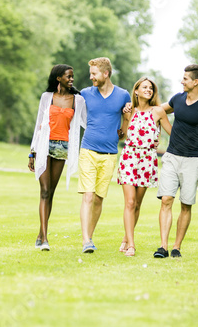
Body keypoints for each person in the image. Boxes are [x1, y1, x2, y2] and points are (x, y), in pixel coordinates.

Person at [154, 64, 198, 258]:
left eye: (185, 78)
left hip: (192, 161)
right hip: (172, 156)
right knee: (166, 199)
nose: (182, 81)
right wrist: (134, 105)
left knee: (185, 204)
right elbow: (157, 111)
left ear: (195, 82)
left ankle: (176, 247)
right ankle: (163, 247)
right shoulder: (177, 99)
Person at [28, 64, 87, 251]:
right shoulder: (47, 97)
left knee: (51, 192)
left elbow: (87, 121)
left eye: (72, 76)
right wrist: (32, 151)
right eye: (68, 76)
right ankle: (44, 238)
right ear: (58, 78)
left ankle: (40, 233)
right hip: (45, 145)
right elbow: (39, 123)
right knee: (44, 190)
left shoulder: (78, 100)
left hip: (62, 147)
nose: (72, 79)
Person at [78, 57, 130, 253]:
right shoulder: (84, 94)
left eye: (94, 74)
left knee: (99, 198)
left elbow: (124, 134)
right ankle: (86, 241)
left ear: (105, 73)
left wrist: (126, 116)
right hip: (88, 150)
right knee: (88, 196)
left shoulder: (123, 96)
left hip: (109, 154)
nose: (91, 77)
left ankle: (89, 237)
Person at [117, 77, 172, 257]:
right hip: (129, 157)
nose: (148, 90)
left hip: (147, 160)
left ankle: (126, 237)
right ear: (136, 91)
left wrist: (196, 140)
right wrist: (122, 118)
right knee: (130, 202)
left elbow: (173, 133)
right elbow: (122, 135)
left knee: (138, 204)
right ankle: (131, 245)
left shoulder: (158, 112)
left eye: (151, 88)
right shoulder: (129, 111)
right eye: (145, 87)